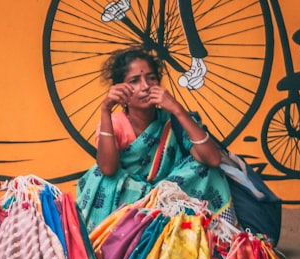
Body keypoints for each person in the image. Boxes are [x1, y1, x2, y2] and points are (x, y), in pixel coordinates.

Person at [75, 47, 233, 231]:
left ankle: (217, 235)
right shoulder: (115, 124)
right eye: (134, 81)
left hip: (169, 199)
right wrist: (105, 110)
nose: (145, 86)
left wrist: (177, 109)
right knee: (100, 176)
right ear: (121, 90)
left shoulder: (171, 120)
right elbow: (107, 169)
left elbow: (213, 159)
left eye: (151, 78)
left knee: (204, 167)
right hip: (131, 202)